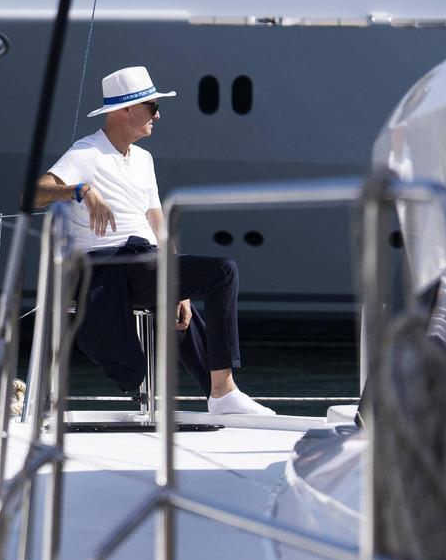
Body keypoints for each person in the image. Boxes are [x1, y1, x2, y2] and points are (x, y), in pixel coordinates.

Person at [34, 66, 273, 415]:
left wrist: (182, 290)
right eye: (152, 106)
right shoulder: (86, 152)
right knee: (223, 270)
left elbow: (157, 222)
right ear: (124, 111)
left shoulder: (143, 159)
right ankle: (221, 392)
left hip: (144, 259)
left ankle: (221, 393)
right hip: (106, 266)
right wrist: (81, 190)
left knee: (208, 283)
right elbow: (34, 193)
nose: (158, 115)